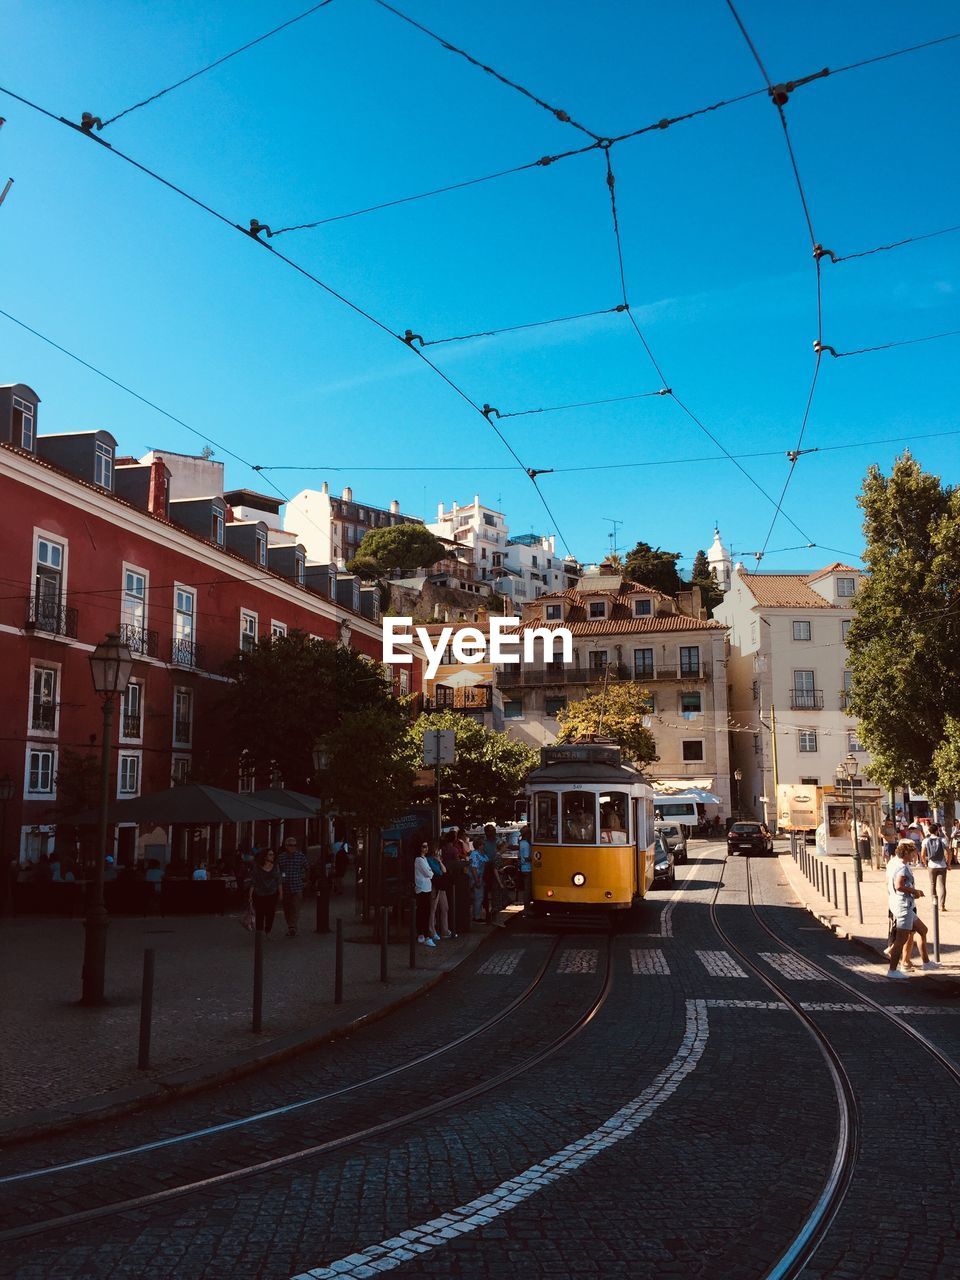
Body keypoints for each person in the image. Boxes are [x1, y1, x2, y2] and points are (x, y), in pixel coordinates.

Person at [885, 840, 936, 978]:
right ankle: (892, 970)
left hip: (905, 905)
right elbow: (898, 885)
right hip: (903, 906)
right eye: (913, 852)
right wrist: (915, 891)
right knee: (902, 939)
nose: (915, 855)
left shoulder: (895, 863)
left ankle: (926, 962)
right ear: (906, 853)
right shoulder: (902, 867)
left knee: (922, 930)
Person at [277, 835, 310, 937]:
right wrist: (282, 879)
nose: (293, 847)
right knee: (287, 908)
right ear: (286, 846)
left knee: (295, 907)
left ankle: (293, 927)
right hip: (285, 887)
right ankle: (290, 925)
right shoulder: (281, 857)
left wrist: (306, 880)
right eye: (291, 845)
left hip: (297, 886)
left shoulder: (300, 856)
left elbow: (307, 867)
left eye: (295, 845)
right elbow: (279, 871)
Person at [249, 848, 283, 936]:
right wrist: (250, 895)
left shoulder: (275, 867)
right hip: (259, 894)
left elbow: (278, 880)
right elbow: (253, 882)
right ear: (265, 857)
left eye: (273, 854)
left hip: (272, 894)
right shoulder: (257, 868)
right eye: (270, 854)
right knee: (260, 913)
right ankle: (259, 933)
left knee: (270, 913)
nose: (272, 856)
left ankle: (268, 931)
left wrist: (281, 893)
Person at [921, 823, 949, 912]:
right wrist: (948, 863)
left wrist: (925, 863)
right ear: (937, 831)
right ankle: (942, 905)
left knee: (933, 884)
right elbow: (948, 852)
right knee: (942, 886)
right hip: (942, 865)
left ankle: (934, 904)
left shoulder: (925, 841)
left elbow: (922, 854)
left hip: (931, 865)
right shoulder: (943, 840)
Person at [413, 841, 435, 946]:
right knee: (423, 911)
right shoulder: (418, 860)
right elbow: (429, 873)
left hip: (426, 888)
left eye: (427, 846)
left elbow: (429, 872)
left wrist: (430, 872)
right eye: (424, 846)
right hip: (422, 888)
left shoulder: (424, 859)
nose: (426, 848)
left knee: (426, 911)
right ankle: (423, 933)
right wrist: (430, 872)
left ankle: (424, 933)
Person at [427, 846, 450, 940]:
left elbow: (444, 870)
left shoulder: (437, 860)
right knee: (433, 908)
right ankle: (432, 930)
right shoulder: (428, 860)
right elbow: (437, 871)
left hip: (440, 885)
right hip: (434, 885)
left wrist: (440, 861)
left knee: (445, 907)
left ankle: (445, 929)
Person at [518, 824, 533, 908]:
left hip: (523, 868)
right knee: (527, 890)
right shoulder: (526, 844)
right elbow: (527, 857)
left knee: (526, 889)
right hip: (527, 868)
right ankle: (526, 907)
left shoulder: (521, 843)